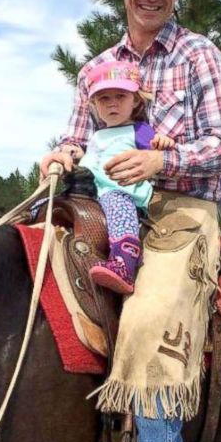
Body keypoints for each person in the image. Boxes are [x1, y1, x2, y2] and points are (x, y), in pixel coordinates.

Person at [40, 0, 221, 442]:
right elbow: (75, 136)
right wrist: (61, 154)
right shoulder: (100, 68)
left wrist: (161, 156)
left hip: (181, 207)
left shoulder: (199, 56)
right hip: (104, 206)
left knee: (152, 323)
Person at [73, 59, 175, 294]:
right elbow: (91, 162)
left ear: (136, 100)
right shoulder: (98, 135)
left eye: (120, 96)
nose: (112, 105)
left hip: (122, 191)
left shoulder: (139, 131)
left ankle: (123, 262)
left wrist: (163, 144)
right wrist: (76, 156)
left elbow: (157, 153)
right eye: (104, 99)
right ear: (94, 105)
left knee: (118, 204)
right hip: (94, 192)